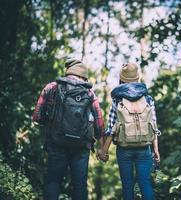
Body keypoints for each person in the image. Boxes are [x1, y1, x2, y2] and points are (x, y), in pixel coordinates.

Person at [32, 58, 105, 200]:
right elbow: (99, 123)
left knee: (53, 181)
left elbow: (36, 116)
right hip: (81, 146)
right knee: (79, 185)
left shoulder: (52, 87)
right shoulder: (90, 93)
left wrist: (51, 123)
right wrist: (103, 149)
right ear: (83, 76)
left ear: (68, 72)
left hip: (56, 142)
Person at [99, 63, 161, 200]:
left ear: (122, 79)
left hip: (124, 149)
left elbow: (111, 128)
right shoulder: (148, 99)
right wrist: (155, 149)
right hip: (144, 147)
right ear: (137, 78)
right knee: (145, 184)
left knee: (127, 186)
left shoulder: (118, 99)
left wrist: (104, 150)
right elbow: (154, 126)